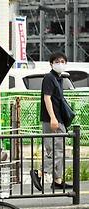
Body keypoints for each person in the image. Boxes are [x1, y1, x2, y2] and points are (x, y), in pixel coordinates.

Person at [31, 52, 74, 191]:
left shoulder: (58, 78)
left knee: (58, 150)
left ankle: (57, 180)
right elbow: (47, 98)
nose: (60, 63)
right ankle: (39, 173)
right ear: (51, 64)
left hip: (57, 119)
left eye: (62, 61)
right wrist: (53, 118)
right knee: (54, 150)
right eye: (57, 61)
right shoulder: (49, 78)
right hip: (52, 120)